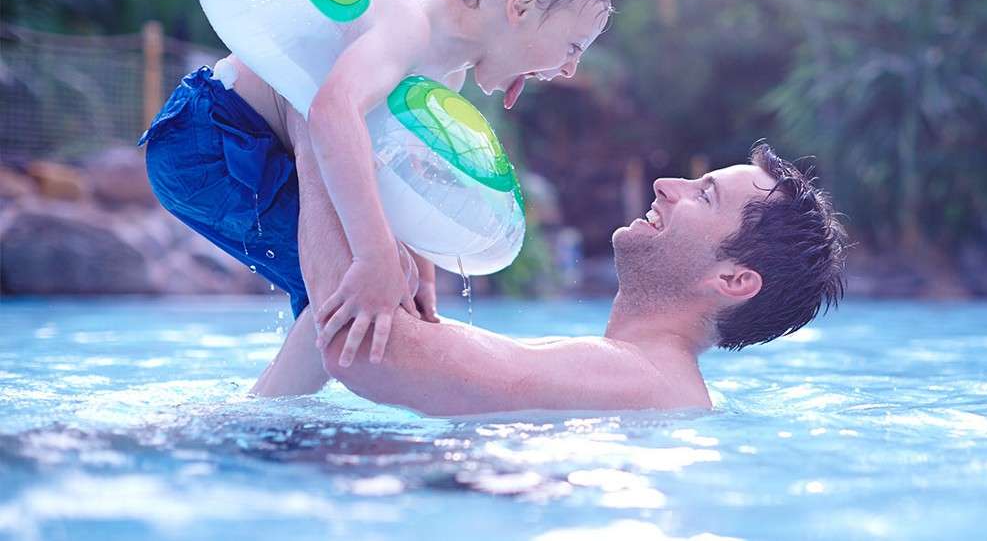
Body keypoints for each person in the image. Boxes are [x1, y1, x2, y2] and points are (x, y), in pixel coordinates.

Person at [140, 0, 612, 370]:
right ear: (522, 8)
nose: (570, 68)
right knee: (343, 291)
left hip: (255, 142)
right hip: (209, 137)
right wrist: (374, 254)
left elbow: (399, 175)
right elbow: (333, 111)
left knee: (366, 291)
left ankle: (274, 419)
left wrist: (421, 267)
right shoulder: (411, 21)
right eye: (573, 47)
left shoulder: (447, 73)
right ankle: (267, 429)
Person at [252, 129, 848, 415]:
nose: (668, 187)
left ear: (733, 280)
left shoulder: (640, 380)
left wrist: (321, 129)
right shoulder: (626, 378)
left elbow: (365, 350)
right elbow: (358, 334)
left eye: (704, 195)